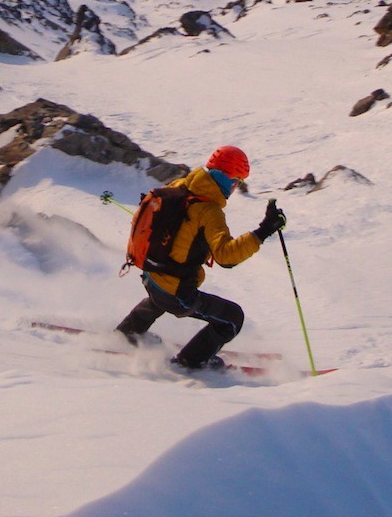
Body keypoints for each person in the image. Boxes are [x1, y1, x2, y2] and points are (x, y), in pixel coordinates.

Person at [116, 144, 287, 370]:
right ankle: (189, 361)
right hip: (176, 292)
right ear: (228, 178)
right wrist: (264, 230)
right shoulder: (209, 211)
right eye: (237, 181)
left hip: (150, 275)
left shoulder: (179, 186)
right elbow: (226, 257)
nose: (236, 187)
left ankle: (126, 333)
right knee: (232, 318)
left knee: (159, 297)